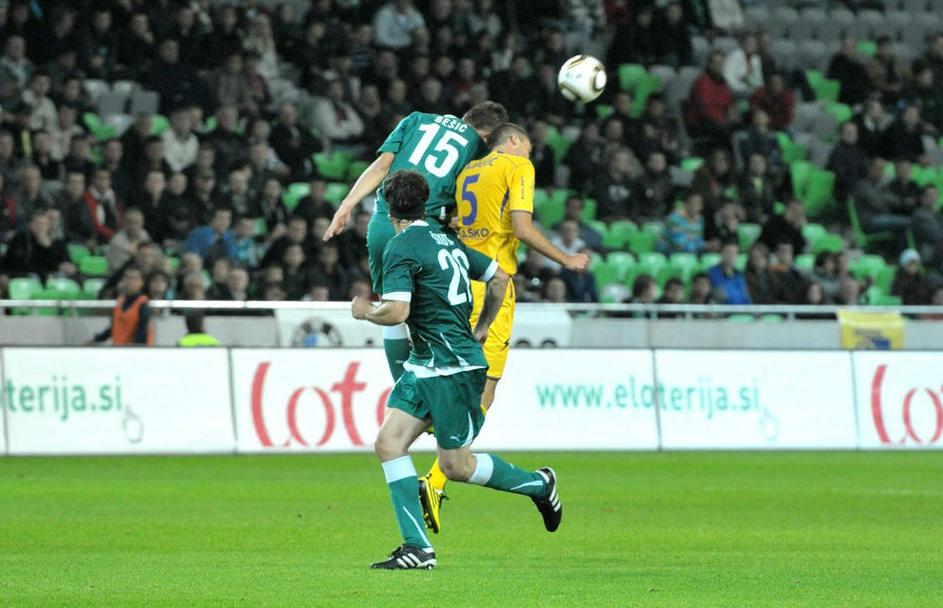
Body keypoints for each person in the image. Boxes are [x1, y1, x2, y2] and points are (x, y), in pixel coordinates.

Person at [352, 170, 561, 570]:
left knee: (456, 466)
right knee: (389, 443)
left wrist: (366, 312)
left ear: (388, 208)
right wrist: (483, 327)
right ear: (424, 204)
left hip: (451, 368)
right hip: (428, 364)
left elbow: (397, 311)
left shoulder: (401, 246)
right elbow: (500, 277)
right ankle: (417, 547)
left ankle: (540, 484)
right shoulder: (446, 240)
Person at [419, 123, 589, 531]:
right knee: (487, 389)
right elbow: (523, 227)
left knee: (450, 372)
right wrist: (566, 259)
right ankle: (437, 478)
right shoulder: (517, 166)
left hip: (451, 279)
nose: (530, 155)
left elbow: (450, 220)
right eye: (528, 147)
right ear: (512, 141)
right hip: (490, 285)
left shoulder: (467, 169)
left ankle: (436, 433)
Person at [324, 101, 508, 382]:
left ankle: (403, 388)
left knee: (392, 307)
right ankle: (437, 383)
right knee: (434, 309)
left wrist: (346, 205)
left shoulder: (415, 119)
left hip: (384, 224)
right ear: (488, 134)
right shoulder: (478, 146)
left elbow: (382, 165)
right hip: (427, 230)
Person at [91, 265, 154, 346]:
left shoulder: (143, 304)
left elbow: (143, 332)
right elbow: (114, 327)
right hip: (118, 348)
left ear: (142, 282)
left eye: (133, 278)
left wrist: (137, 350)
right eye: (126, 278)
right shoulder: (120, 302)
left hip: (135, 350)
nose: (129, 282)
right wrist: (97, 339)